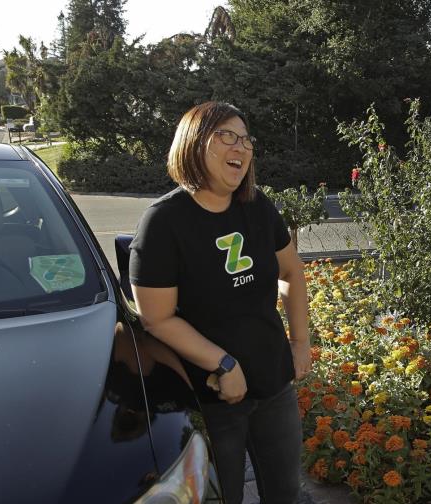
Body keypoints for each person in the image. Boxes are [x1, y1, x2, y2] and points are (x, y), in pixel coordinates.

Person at [130, 101, 311, 504]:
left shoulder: (257, 207)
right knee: (222, 496)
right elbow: (156, 319)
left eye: (246, 139)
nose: (241, 147)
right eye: (227, 135)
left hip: (274, 385)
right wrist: (223, 363)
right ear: (193, 144)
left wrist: (300, 343)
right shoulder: (163, 222)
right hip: (212, 398)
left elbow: (292, 273)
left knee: (284, 493)